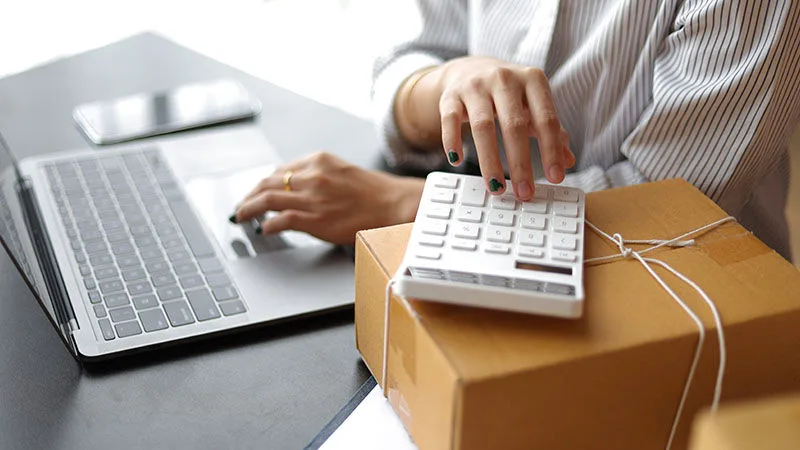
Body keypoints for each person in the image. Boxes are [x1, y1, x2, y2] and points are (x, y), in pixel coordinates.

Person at [231, 0, 800, 260]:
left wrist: (411, 206)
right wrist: (444, 84)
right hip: (478, 270)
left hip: (682, 315)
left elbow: (673, 209)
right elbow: (408, 56)